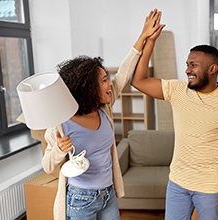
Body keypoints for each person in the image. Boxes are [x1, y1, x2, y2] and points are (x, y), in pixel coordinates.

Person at [42, 9, 163, 220]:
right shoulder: (61, 125)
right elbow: (48, 166)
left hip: (107, 194)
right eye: (104, 80)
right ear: (87, 87)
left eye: (108, 79)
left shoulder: (103, 108)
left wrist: (144, 37)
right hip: (80, 199)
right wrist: (59, 151)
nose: (110, 84)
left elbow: (125, 73)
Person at [131, 15, 218, 220]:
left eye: (194, 65)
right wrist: (150, 40)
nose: (188, 70)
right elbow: (138, 80)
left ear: (212, 69)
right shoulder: (177, 90)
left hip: (210, 186)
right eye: (187, 64)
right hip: (177, 182)